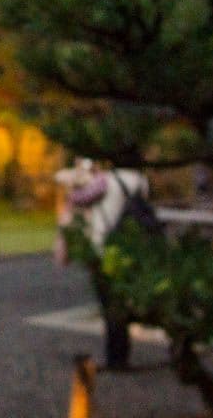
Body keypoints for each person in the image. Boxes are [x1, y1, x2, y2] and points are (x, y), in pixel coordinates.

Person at [56, 158, 153, 369]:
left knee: (109, 304)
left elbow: (76, 196)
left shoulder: (105, 181)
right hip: (130, 247)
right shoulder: (141, 180)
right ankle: (122, 351)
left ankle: (116, 356)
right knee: (121, 299)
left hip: (105, 247)